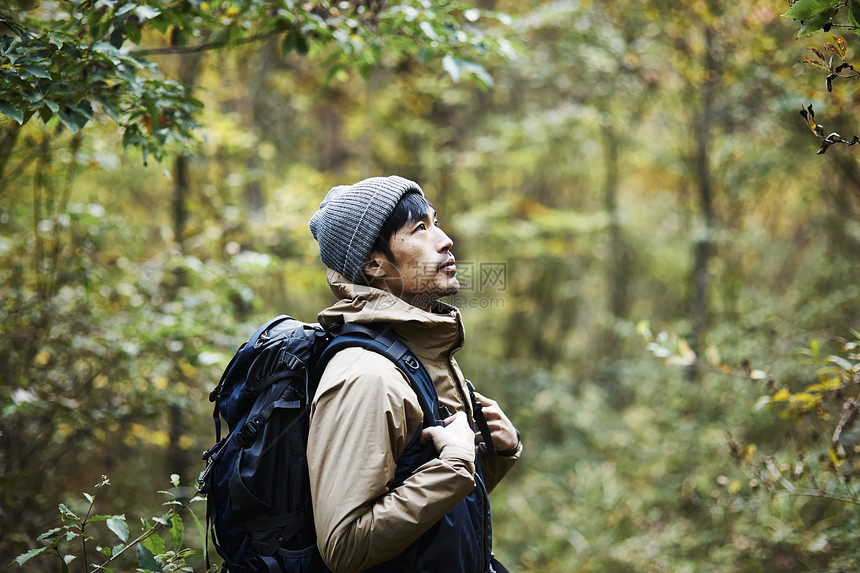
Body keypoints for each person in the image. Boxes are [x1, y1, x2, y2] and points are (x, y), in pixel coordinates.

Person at [307, 175, 522, 573]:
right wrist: (455, 464)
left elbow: (429, 520)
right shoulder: (366, 376)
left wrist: (493, 455)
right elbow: (345, 546)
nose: (445, 239)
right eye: (419, 228)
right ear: (374, 263)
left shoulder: (417, 353)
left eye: (436, 222)